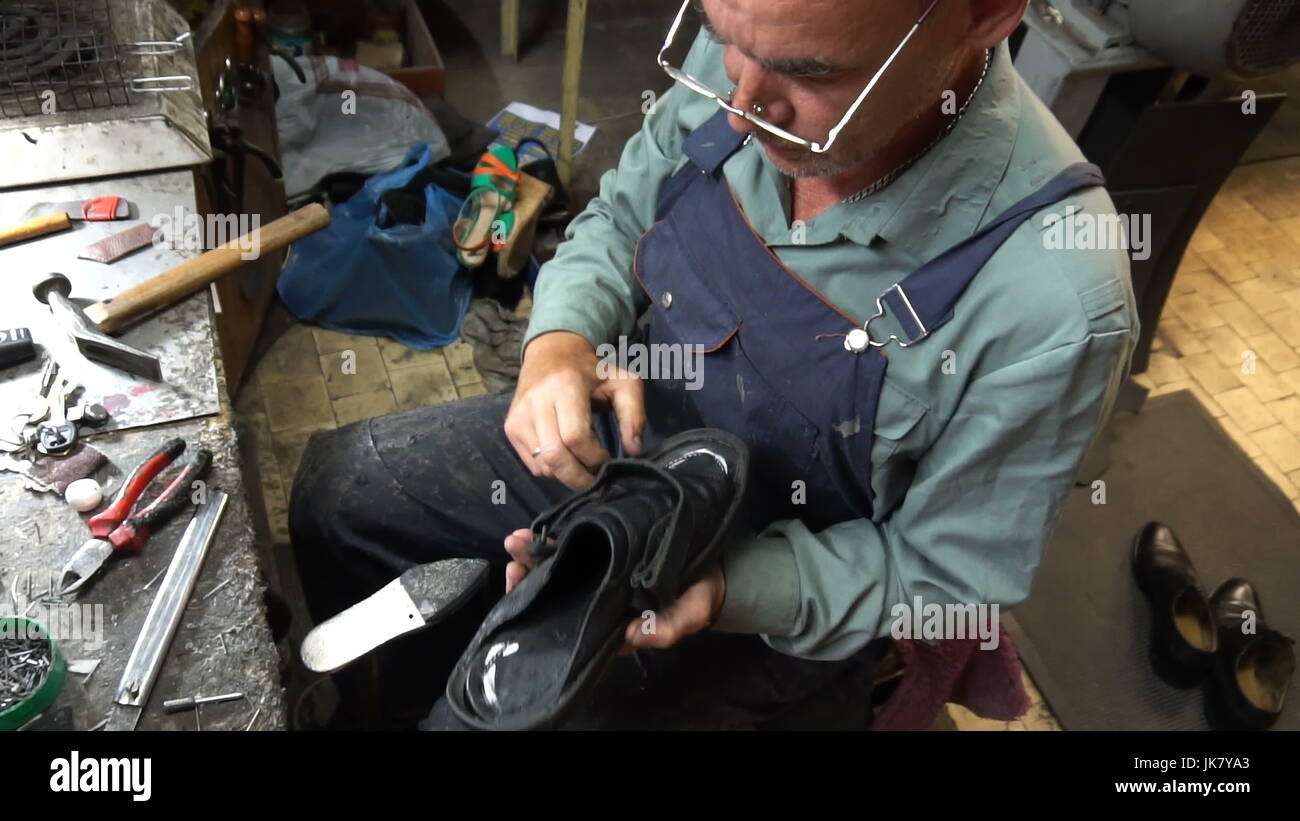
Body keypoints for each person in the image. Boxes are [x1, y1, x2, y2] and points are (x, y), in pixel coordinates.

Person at [290, 0, 1139, 730]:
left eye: (809, 72)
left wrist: (729, 587)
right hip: (631, 449)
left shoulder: (1054, 299)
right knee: (342, 494)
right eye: (724, 37)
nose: (738, 109)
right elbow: (621, 219)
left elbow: (944, 578)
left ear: (985, 14)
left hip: (772, 577)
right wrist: (562, 341)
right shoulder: (756, 50)